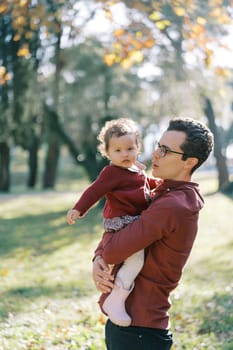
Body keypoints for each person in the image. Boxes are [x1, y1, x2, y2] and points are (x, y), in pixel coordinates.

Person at [92, 117, 214, 350]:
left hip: (140, 331)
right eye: (159, 146)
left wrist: (102, 256)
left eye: (166, 151)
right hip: (135, 326)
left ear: (189, 162)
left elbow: (114, 251)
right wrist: (97, 256)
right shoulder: (162, 191)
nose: (156, 154)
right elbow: (119, 229)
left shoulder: (174, 204)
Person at [66, 118, 161, 326]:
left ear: (138, 147)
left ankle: (122, 293)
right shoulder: (111, 173)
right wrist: (78, 208)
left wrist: (161, 184)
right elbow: (94, 190)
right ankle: (116, 299)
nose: (125, 154)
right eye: (118, 150)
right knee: (136, 260)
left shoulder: (136, 169)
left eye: (130, 148)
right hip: (122, 223)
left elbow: (145, 184)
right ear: (107, 152)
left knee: (136, 260)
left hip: (135, 222)